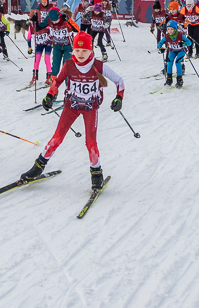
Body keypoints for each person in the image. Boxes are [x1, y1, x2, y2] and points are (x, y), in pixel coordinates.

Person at [22, 31, 124, 191]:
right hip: (71, 107)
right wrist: (50, 95)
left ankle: (96, 174)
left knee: (90, 142)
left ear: (91, 50)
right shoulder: (69, 65)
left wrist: (119, 98)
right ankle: (38, 167)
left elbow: (119, 81)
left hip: (90, 108)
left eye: (84, 50)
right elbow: (57, 81)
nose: (80, 54)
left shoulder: (98, 65)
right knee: (57, 137)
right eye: (77, 50)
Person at [48, 7, 79, 82]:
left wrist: (68, 21)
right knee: (55, 66)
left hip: (68, 46)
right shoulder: (49, 21)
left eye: (55, 20)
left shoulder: (65, 19)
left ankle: (67, 83)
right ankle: (53, 81)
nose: (54, 23)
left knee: (66, 66)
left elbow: (77, 29)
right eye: (52, 21)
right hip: (56, 46)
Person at [158, 20, 192, 88]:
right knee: (169, 62)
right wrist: (160, 48)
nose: (170, 31)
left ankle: (179, 80)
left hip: (181, 50)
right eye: (168, 29)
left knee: (177, 62)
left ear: (175, 29)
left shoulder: (180, 35)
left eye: (172, 29)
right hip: (172, 50)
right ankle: (169, 80)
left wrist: (183, 44)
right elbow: (160, 43)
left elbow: (189, 42)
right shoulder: (166, 36)